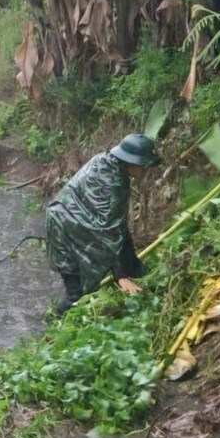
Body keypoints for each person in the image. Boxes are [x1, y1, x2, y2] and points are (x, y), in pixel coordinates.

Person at [46, 134, 157, 314]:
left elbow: (118, 227)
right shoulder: (113, 183)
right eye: (144, 166)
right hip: (64, 230)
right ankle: (57, 325)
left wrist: (131, 266)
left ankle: (137, 272)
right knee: (77, 291)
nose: (146, 170)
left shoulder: (106, 161)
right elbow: (108, 233)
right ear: (132, 163)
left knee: (122, 237)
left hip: (74, 220)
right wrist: (120, 276)